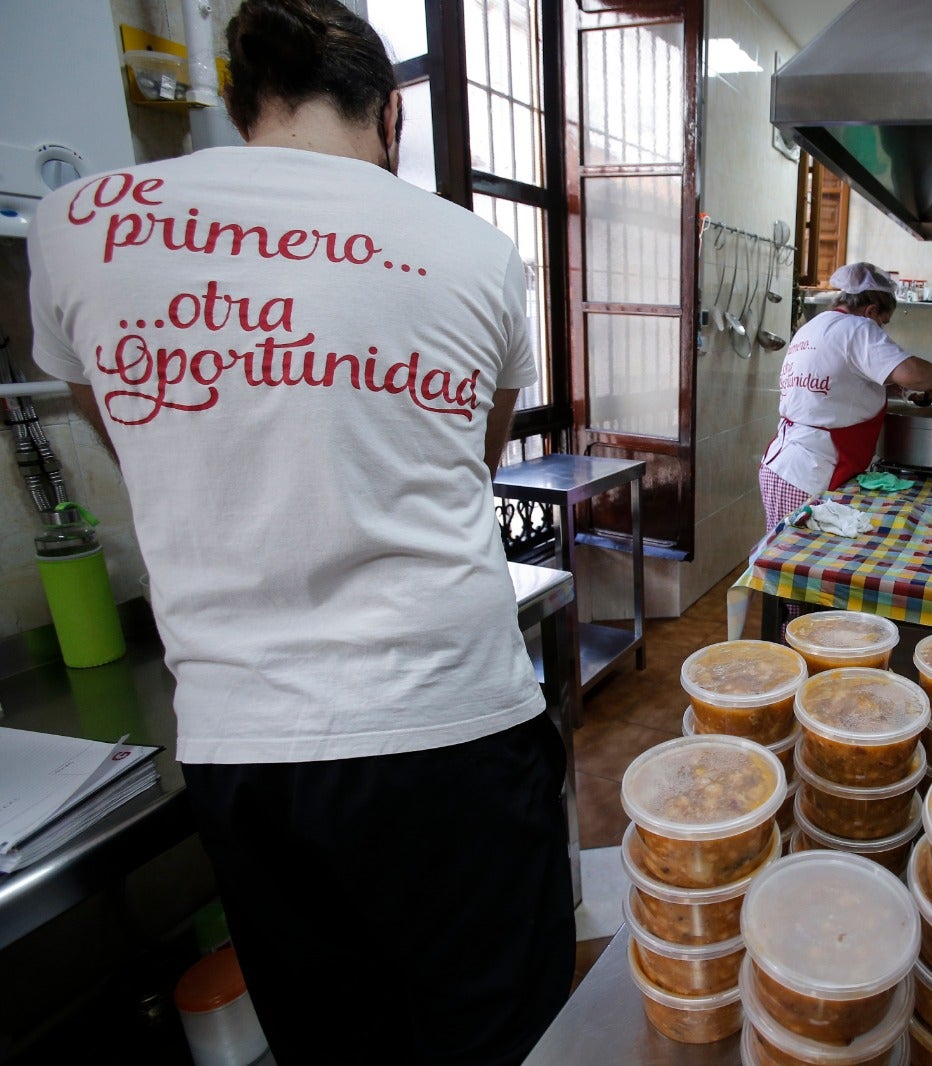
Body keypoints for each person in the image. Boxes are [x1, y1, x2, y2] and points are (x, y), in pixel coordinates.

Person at [27, 1, 573, 1060]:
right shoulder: (473, 248)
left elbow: (126, 426)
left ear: (237, 107)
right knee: (501, 1031)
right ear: (393, 115)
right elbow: (473, 454)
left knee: (334, 1041)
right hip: (450, 723)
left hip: (249, 747)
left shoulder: (80, 221)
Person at [758, 262, 932, 533]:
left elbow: (837, 388)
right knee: (795, 562)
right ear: (870, 311)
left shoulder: (816, 326)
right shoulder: (858, 327)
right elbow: (912, 374)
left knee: (781, 554)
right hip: (810, 474)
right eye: (883, 321)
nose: (881, 329)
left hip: (782, 466)